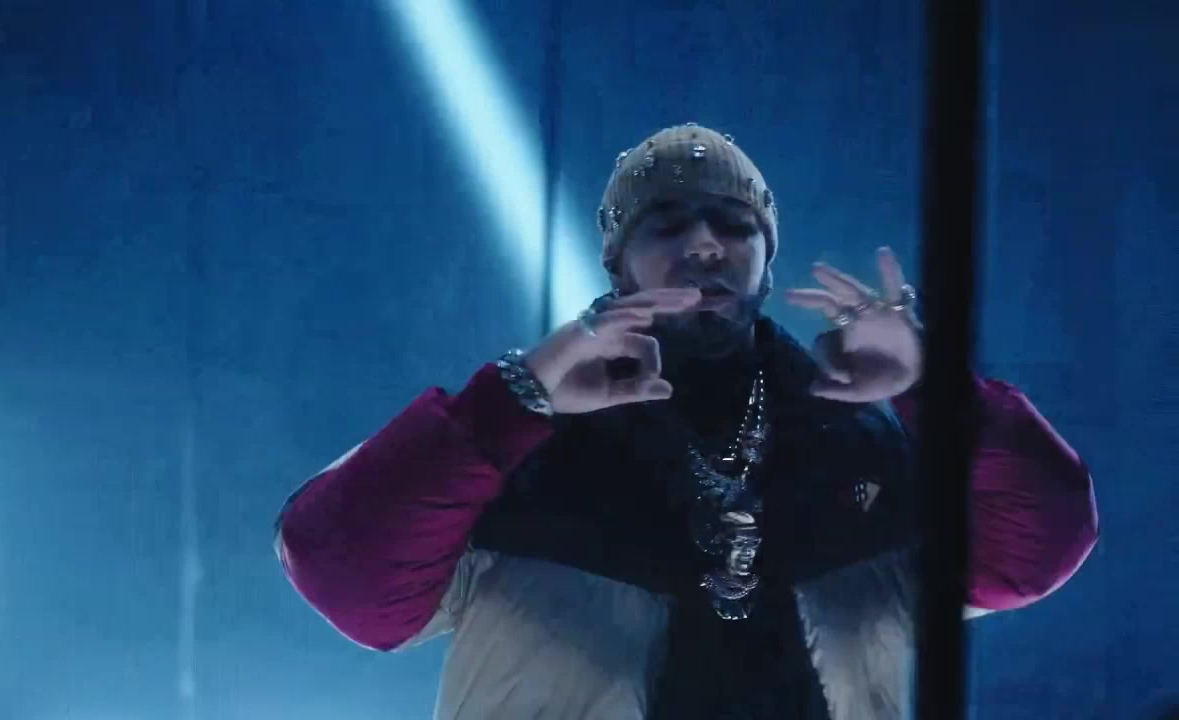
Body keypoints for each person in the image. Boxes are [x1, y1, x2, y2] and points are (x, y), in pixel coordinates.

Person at [274, 124, 1099, 719]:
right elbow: (344, 575)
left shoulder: (859, 443)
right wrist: (514, 402)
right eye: (668, 223)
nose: (706, 245)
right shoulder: (517, 445)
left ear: (766, 263)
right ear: (618, 263)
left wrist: (939, 392)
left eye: (735, 225)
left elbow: (1038, 550)